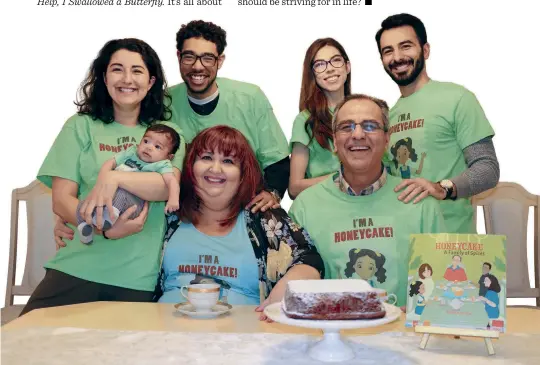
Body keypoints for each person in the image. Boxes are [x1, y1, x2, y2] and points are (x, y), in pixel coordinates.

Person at [20, 38, 185, 316]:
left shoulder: (167, 133)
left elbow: (165, 187)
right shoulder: (80, 126)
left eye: (137, 71)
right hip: (76, 266)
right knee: (22, 347)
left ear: (151, 80)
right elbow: (61, 201)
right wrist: (105, 229)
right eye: (117, 69)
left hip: (135, 277)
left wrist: (113, 179)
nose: (127, 79)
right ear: (104, 77)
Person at [289, 94, 446, 308]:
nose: (358, 134)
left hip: (403, 336)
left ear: (387, 138)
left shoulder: (419, 203)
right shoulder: (304, 207)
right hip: (330, 337)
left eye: (370, 126)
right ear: (335, 141)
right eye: (346, 127)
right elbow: (295, 292)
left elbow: (438, 290)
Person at [156, 125, 323, 321]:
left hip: (242, 342)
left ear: (243, 173)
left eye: (228, 161)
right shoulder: (169, 213)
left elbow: (310, 260)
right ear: (191, 165)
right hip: (166, 338)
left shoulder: (263, 217)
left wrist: (284, 290)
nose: (215, 168)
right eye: (206, 157)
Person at [375, 13, 500, 233]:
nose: (397, 57)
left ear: (425, 50)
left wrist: (443, 188)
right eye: (388, 51)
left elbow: (487, 169)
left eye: (406, 46)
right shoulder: (388, 115)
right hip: (401, 239)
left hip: (449, 242)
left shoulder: (457, 98)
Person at [169, 20, 290, 212]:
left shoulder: (249, 98)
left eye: (208, 58)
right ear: (178, 57)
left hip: (244, 209)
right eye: (189, 57)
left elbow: (278, 161)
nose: (198, 67)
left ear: (220, 61)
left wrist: (272, 193)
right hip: (188, 212)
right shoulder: (164, 102)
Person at [76, 123, 182, 244]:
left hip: (133, 202)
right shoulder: (132, 152)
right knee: (84, 203)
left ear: (169, 156)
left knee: (122, 191)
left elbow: (171, 181)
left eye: (157, 147)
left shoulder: (162, 164)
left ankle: (109, 217)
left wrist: (173, 198)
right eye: (146, 141)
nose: (149, 147)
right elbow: (110, 163)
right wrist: (101, 182)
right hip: (109, 194)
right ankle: (84, 227)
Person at [288, 38, 351, 198]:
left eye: (336, 60)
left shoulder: (365, 113)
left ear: (347, 66)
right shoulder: (305, 120)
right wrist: (343, 178)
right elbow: (294, 188)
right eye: (320, 64)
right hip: (324, 207)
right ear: (312, 74)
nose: (329, 69)